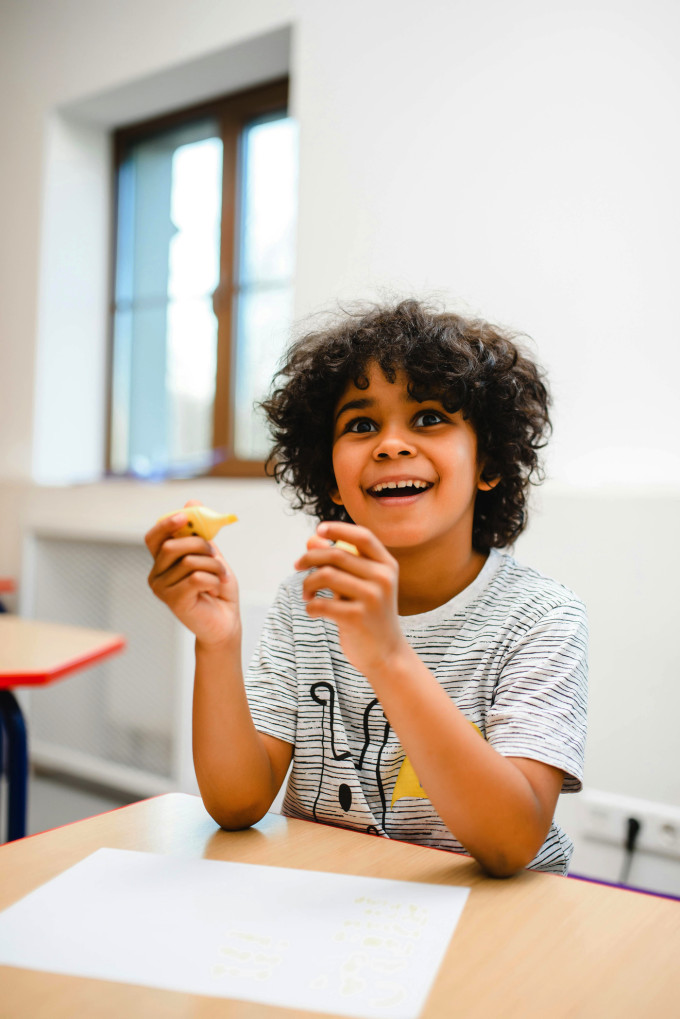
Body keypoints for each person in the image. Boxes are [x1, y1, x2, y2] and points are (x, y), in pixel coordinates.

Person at [145, 299, 587, 878]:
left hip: (492, 926)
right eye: (361, 424)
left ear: (490, 461)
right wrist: (218, 642)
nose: (390, 444)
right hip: (336, 906)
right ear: (330, 475)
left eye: (429, 417)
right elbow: (236, 804)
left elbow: (512, 845)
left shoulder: (541, 618)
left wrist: (388, 655)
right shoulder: (307, 600)